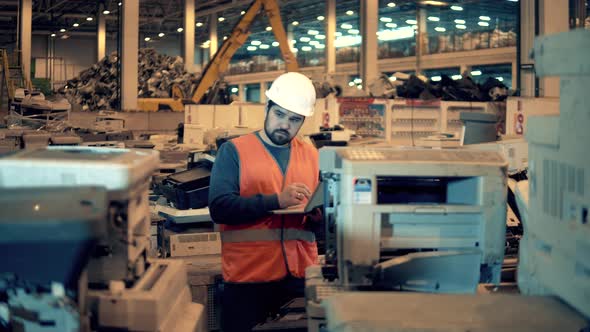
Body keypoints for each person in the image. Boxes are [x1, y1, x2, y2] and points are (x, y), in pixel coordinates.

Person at [208, 72, 320, 332]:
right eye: (279, 114)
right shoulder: (234, 151)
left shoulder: (311, 155)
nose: (285, 125)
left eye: (294, 119)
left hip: (299, 278)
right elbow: (220, 208)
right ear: (267, 108)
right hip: (248, 280)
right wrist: (276, 200)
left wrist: (318, 215)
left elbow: (320, 219)